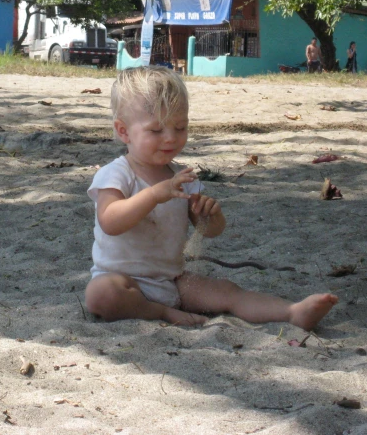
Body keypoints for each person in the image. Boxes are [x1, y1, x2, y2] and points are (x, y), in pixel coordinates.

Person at [84, 66, 338, 329]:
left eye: (180, 127)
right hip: (123, 281)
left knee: (228, 291)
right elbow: (109, 221)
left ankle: (292, 312)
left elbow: (211, 231)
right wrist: (153, 195)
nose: (170, 137)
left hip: (171, 281)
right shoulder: (115, 174)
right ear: (124, 131)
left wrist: (210, 215)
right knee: (99, 295)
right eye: (156, 130)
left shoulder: (181, 177)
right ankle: (161, 313)